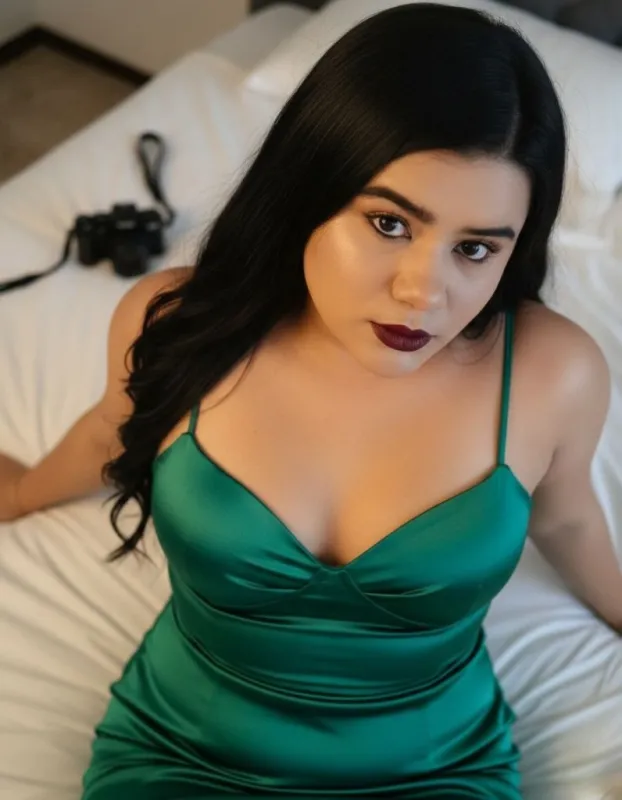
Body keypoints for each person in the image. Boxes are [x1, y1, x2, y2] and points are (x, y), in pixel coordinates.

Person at [1, 3, 621, 797]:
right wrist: (20, 492)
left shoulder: (553, 371)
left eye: (474, 248)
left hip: (434, 769)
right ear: (306, 193)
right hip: (186, 751)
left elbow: (566, 518)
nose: (423, 292)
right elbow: (109, 430)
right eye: (389, 223)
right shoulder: (177, 325)